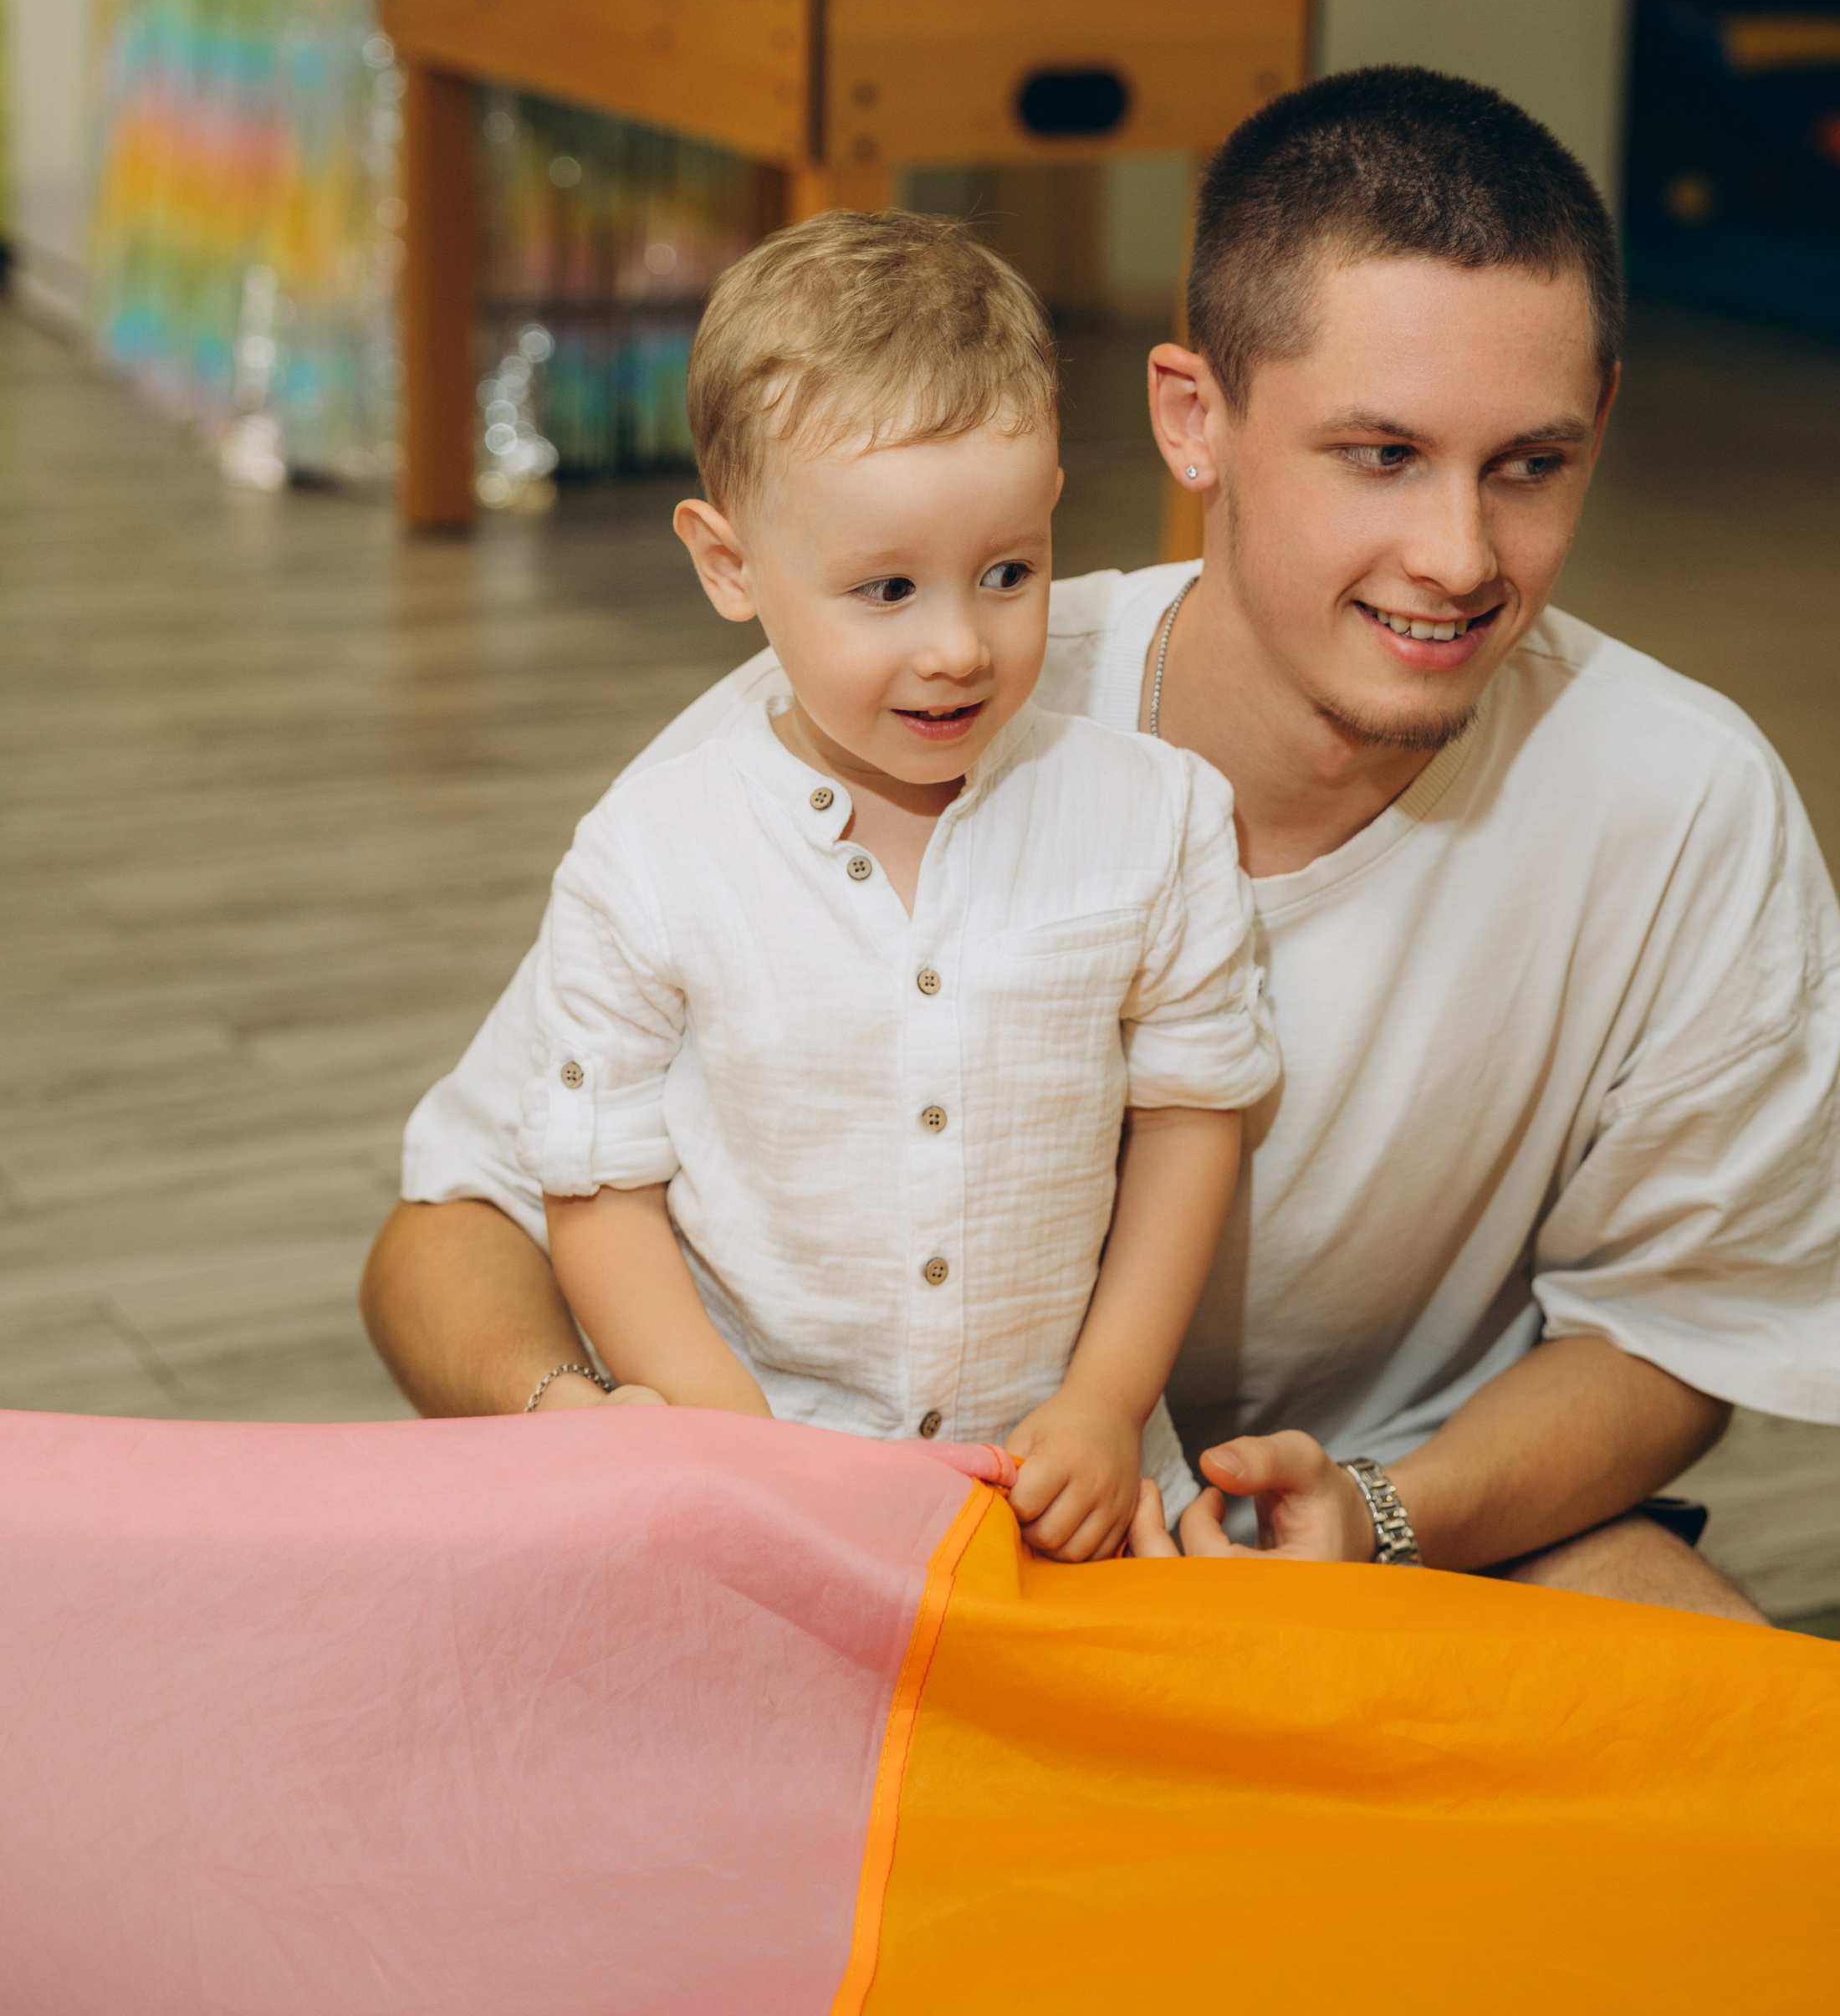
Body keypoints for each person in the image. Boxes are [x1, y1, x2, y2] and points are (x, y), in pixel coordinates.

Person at [364, 68, 1840, 1616]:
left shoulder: (1690, 800)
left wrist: (1376, 1513)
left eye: (1531, 465)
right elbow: (446, 1238)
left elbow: (1687, 1335)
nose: (1459, 558)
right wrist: (616, 1439)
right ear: (1193, 420)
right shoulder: (814, 747)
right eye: (1378, 455)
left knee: (1727, 1704)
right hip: (848, 1517)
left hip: (1411, 1521)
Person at [506, 208, 1275, 1561]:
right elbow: (600, 1189)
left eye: (1006, 574)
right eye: (885, 589)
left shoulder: (1156, 819)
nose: (958, 647)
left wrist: (1106, 1401)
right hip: (759, 1478)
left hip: (1064, 1494)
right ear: (729, 563)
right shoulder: (650, 852)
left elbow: (1191, 1122)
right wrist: (721, 1432)